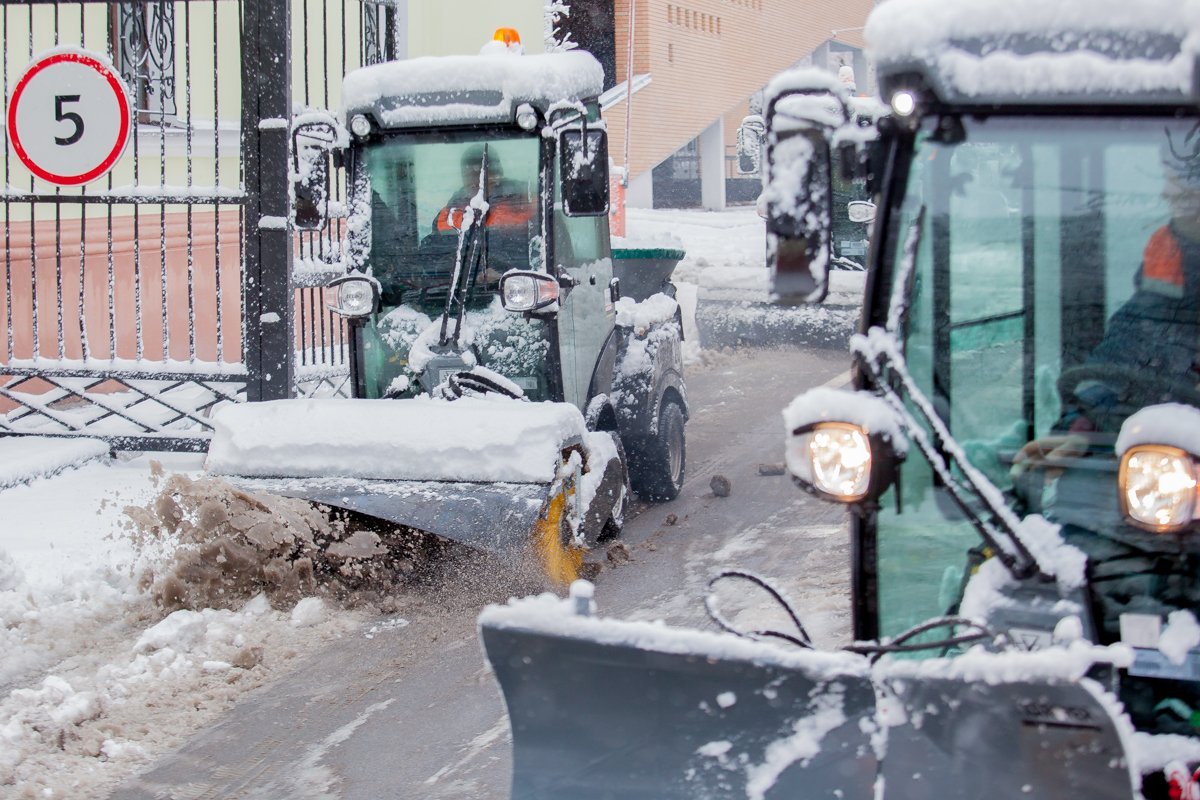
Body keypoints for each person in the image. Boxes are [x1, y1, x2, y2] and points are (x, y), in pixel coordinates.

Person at [1012, 125, 1200, 475]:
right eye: (1169, 179)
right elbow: (1135, 341)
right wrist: (1083, 427)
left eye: (1178, 182)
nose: (1167, 192)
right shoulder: (1168, 251)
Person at [433, 146, 535, 285]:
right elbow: (433, 258)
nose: (475, 180)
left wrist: (504, 273)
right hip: (458, 294)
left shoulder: (528, 204)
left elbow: (547, 257)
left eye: (480, 173)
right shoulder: (448, 215)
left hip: (518, 291)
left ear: (498, 173)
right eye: (469, 174)